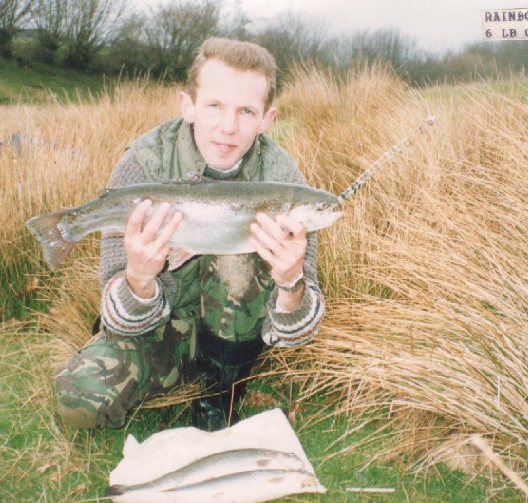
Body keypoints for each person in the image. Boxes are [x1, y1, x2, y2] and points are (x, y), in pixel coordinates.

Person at [54, 37, 327, 432]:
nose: (228, 127)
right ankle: (181, 372)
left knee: (239, 257)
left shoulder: (286, 182)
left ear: (266, 119)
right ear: (188, 105)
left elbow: (303, 326)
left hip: (241, 338)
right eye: (215, 105)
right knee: (76, 400)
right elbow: (115, 311)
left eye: (246, 111)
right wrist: (139, 278)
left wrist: (291, 283)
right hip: (164, 328)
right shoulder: (142, 164)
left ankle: (220, 391)